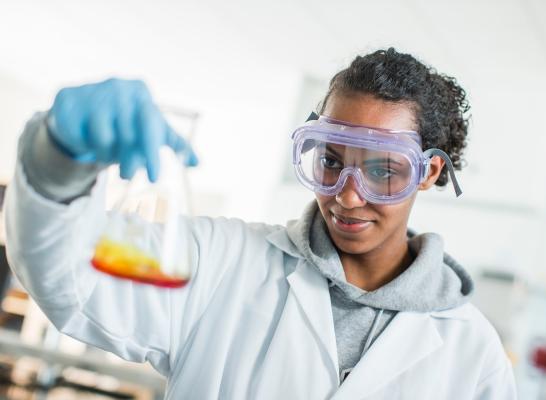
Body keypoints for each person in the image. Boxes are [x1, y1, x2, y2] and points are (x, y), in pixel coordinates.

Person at [4, 48, 516, 399]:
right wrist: (56, 158)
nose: (348, 194)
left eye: (383, 170)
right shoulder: (221, 264)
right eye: (330, 161)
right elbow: (72, 278)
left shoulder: (472, 356)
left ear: (427, 173)